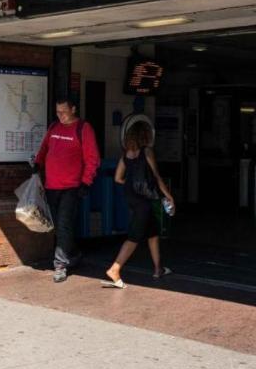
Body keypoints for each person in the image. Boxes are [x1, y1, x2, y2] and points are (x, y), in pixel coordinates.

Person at [33, 97, 100, 283]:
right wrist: (38, 163)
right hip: (51, 186)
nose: (60, 115)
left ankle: (60, 265)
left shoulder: (83, 129)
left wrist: (86, 182)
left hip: (71, 187)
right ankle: (75, 254)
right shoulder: (54, 127)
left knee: (64, 224)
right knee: (59, 226)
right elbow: (45, 147)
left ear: (73, 109)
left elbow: (92, 158)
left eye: (63, 111)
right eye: (58, 112)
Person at [103, 121, 175, 288]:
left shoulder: (125, 155)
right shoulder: (147, 152)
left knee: (152, 232)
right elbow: (157, 177)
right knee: (134, 236)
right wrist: (169, 196)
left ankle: (158, 269)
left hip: (131, 197)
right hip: (145, 198)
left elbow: (117, 178)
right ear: (145, 135)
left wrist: (131, 182)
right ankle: (115, 268)